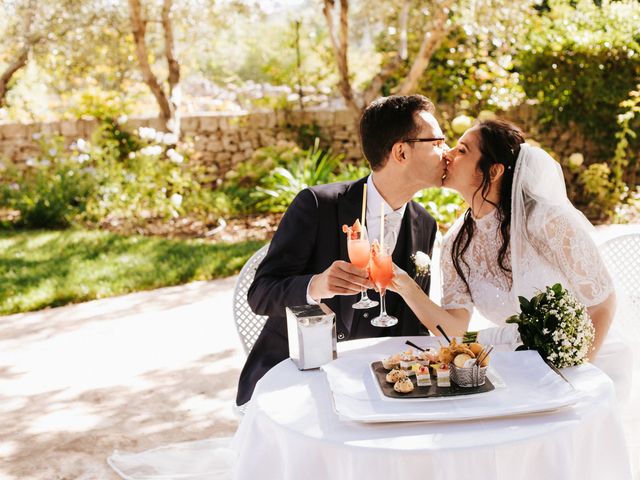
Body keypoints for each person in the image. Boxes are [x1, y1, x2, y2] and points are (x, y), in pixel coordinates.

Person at [391, 119, 631, 399]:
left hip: (590, 365)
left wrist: (574, 372)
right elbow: (454, 329)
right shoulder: (456, 242)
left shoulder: (546, 221)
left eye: (463, 150)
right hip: (523, 370)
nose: (448, 154)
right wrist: (405, 286)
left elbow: (602, 302)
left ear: (492, 171)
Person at [236, 95, 447, 406]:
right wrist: (316, 285)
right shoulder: (318, 205)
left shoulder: (424, 224)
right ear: (401, 151)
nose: (447, 152)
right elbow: (260, 294)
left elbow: (410, 326)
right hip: (298, 375)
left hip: (375, 385)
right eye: (438, 142)